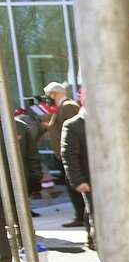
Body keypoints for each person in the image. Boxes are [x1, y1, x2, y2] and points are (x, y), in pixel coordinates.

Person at [41, 82, 84, 227]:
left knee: (74, 186)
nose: (47, 98)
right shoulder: (61, 107)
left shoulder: (68, 107)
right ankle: (80, 215)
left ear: (54, 94)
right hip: (62, 155)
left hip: (70, 155)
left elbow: (74, 132)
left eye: (48, 95)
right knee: (72, 187)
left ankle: (81, 216)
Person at [60, 105, 92, 248]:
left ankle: (93, 239)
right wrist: (78, 181)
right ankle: (95, 240)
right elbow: (69, 156)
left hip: (110, 177)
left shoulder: (107, 121)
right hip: (88, 178)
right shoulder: (73, 125)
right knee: (95, 212)